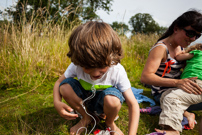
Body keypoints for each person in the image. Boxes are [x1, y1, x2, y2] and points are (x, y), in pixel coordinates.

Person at [53, 21, 140, 135]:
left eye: (102, 66)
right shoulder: (77, 64)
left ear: (112, 58)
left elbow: (133, 104)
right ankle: (86, 118)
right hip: (84, 104)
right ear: (79, 61)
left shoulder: (117, 70)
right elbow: (58, 82)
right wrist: (57, 102)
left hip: (105, 105)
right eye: (87, 67)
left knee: (112, 100)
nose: (95, 73)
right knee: (64, 86)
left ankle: (109, 123)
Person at [141, 9, 202, 135]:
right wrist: (177, 82)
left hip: (181, 90)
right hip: (164, 92)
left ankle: (187, 114)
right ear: (176, 28)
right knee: (170, 99)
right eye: (190, 33)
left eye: (197, 36)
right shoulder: (161, 49)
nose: (193, 38)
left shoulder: (181, 46)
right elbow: (145, 77)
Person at [156, 43, 202, 134]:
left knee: (172, 98)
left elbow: (178, 57)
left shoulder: (197, 52)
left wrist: (183, 51)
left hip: (197, 83)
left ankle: (173, 130)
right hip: (194, 84)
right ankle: (187, 115)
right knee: (165, 95)